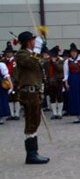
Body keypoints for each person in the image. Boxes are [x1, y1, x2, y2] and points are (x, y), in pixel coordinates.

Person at [13, 30, 49, 164]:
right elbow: (32, 63)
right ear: (28, 42)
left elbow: (39, 66)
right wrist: (38, 49)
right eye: (33, 40)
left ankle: (34, 152)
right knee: (31, 122)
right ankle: (31, 154)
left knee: (35, 121)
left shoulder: (30, 54)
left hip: (35, 92)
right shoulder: (22, 55)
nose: (35, 42)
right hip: (29, 93)